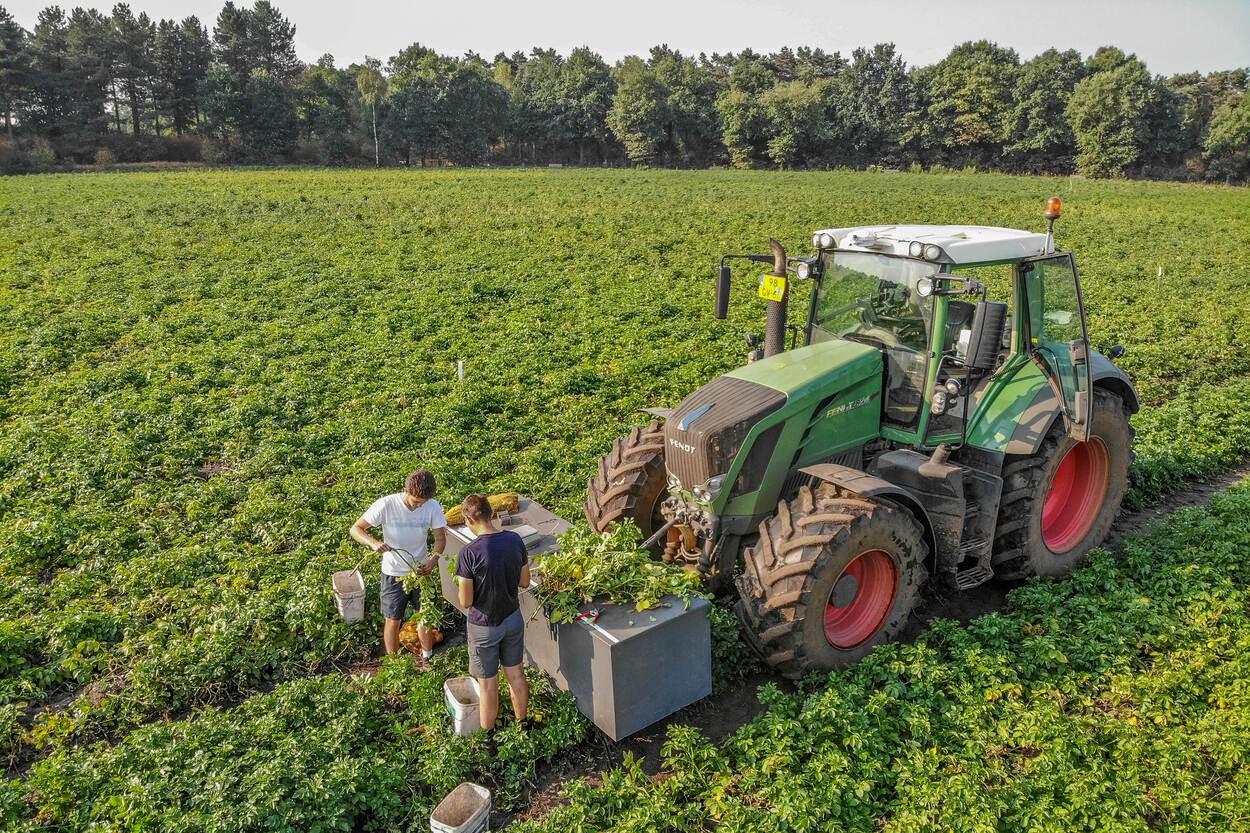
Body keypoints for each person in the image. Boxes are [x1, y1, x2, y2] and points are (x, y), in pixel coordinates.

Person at [454, 493, 530, 733]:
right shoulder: (515, 540)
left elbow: (466, 601)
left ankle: (488, 738)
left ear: (468, 520)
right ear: (492, 514)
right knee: (516, 674)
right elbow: (525, 582)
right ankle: (523, 725)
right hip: (512, 619)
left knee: (488, 685)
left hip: (484, 625)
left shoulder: (469, 553)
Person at [350, 469, 447, 658]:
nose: (420, 506)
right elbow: (356, 529)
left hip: (420, 572)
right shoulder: (386, 504)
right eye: (416, 501)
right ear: (405, 490)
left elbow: (440, 539)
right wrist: (373, 542)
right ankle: (394, 663)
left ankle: (427, 656)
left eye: (423, 502)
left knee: (424, 617)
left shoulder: (432, 506)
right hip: (393, 572)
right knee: (393, 619)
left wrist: (433, 560)